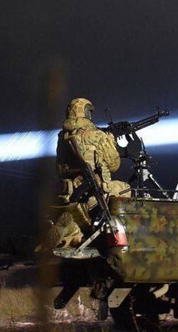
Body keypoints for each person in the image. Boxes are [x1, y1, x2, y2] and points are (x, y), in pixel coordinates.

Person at [46, 98, 129, 249]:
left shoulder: (62, 137)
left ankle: (72, 227)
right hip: (93, 194)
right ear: (85, 113)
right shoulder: (97, 135)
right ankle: (109, 232)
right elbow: (114, 165)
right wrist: (111, 142)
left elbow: (59, 169)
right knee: (125, 189)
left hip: (70, 192)